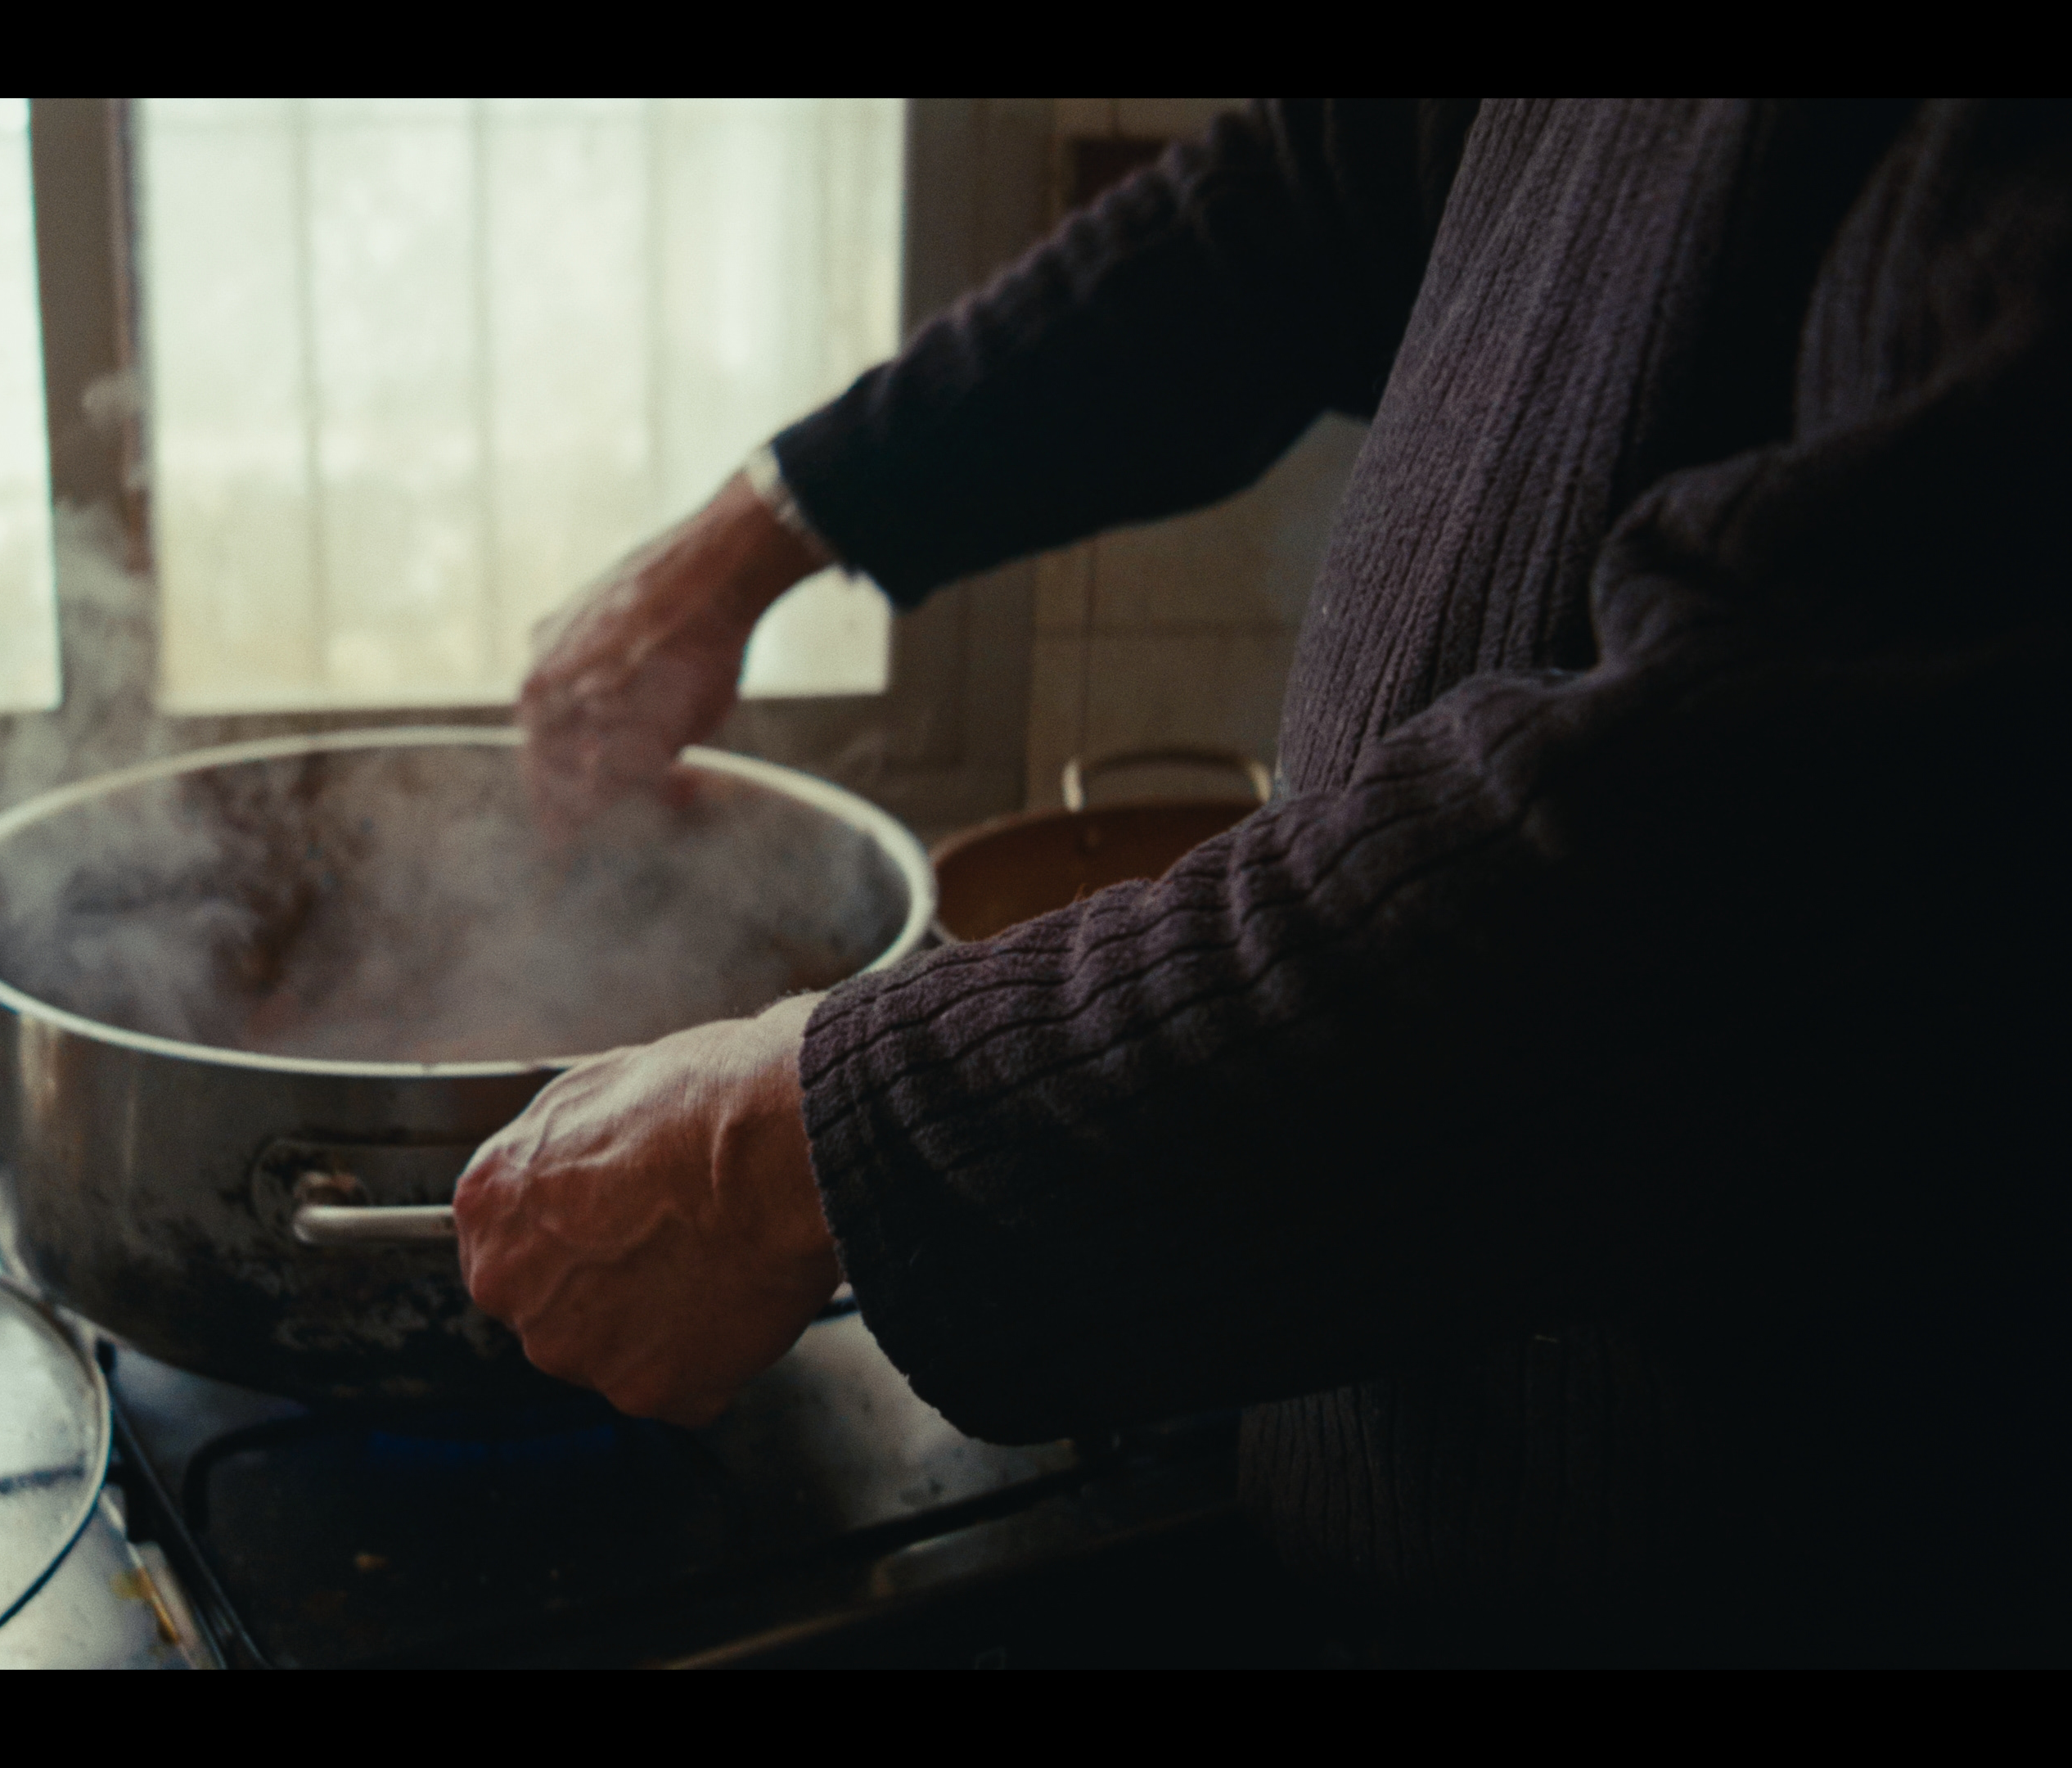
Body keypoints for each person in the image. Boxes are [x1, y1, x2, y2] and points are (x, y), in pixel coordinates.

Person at [457, 100, 2072, 1662]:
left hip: (1778, 1570)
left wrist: (802, 1145)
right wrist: (775, 521)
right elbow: (1314, 195)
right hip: (1399, 1500)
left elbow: (1740, 851)